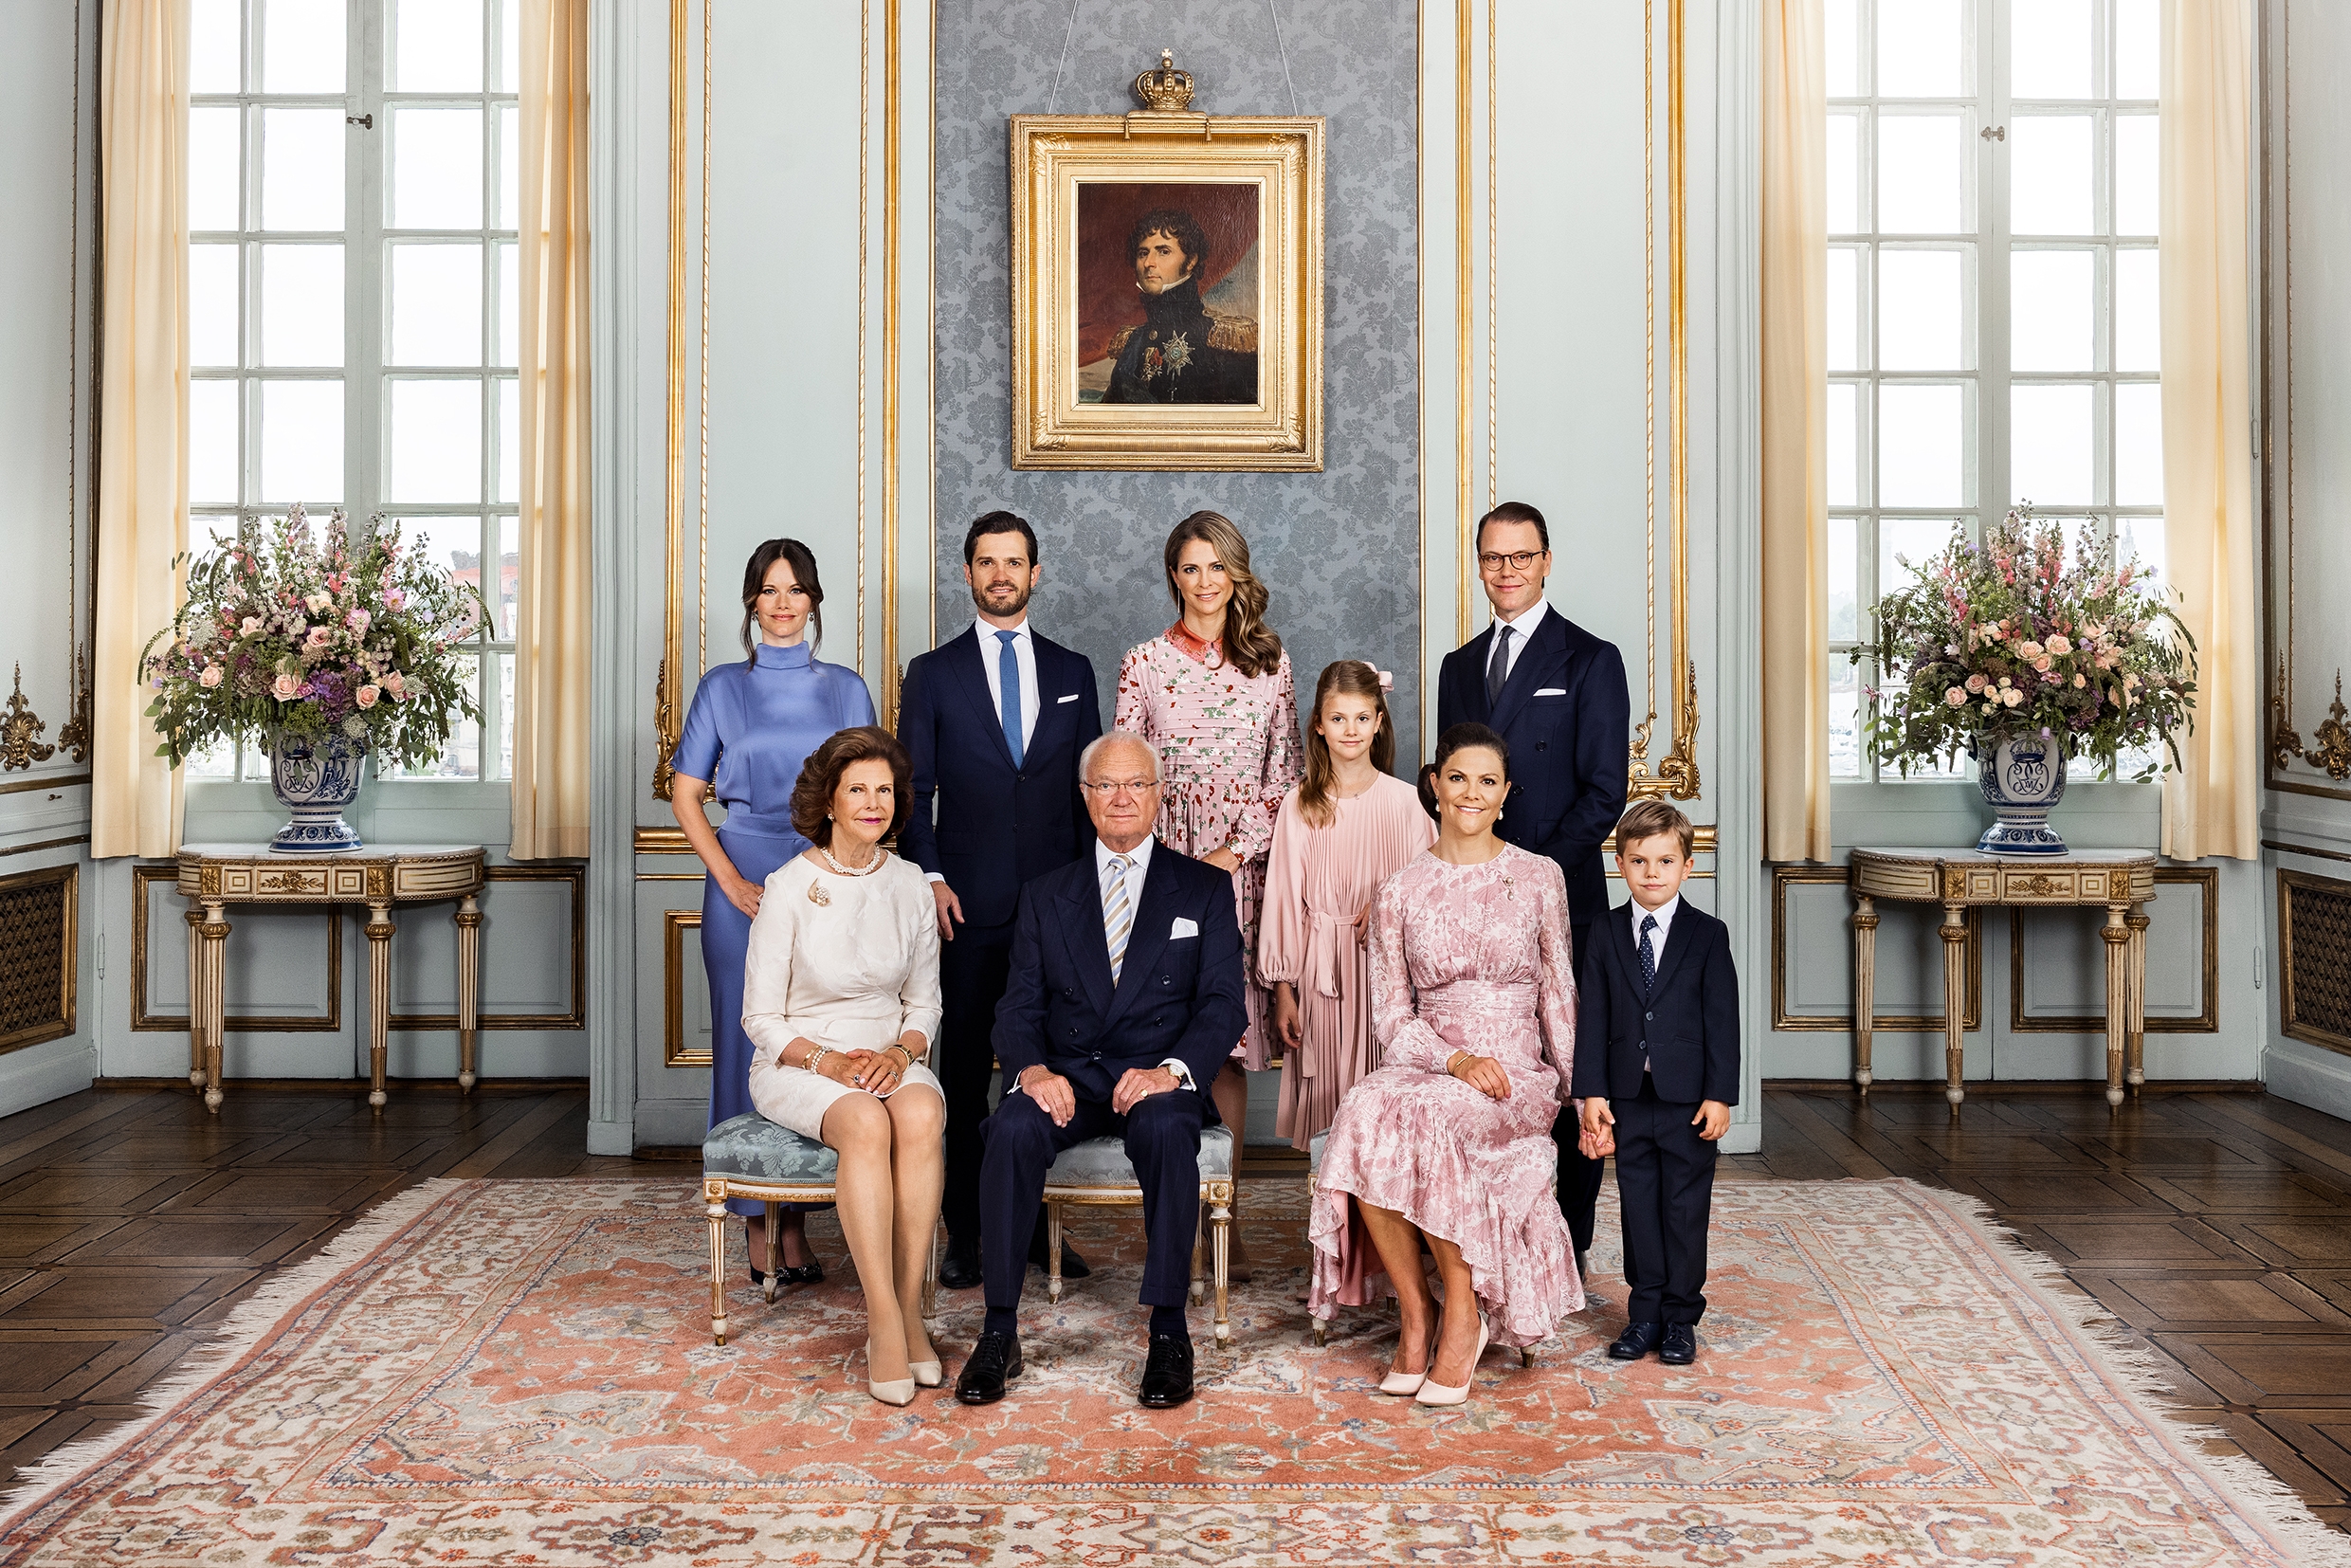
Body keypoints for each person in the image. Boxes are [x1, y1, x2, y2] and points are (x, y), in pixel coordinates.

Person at [953, 731, 1248, 1412]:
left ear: (1158, 794)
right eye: (1106, 785)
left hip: (1155, 1074)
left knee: (1168, 1130)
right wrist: (1030, 1070)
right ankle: (999, 1331)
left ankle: (1169, 1332)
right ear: (1085, 797)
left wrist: (1173, 1071)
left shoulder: (1203, 888)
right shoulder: (1045, 893)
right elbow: (1018, 1005)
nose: (1122, 798)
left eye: (1136, 784)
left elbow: (1223, 1003)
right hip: (1070, 1075)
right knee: (1010, 1129)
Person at [1307, 723, 1582, 1408]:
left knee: (1430, 1118)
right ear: (1434, 785)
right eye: (1458, 778)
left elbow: (1559, 992)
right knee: (1363, 1110)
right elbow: (1391, 1018)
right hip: (1434, 1059)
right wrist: (1453, 1059)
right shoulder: (1399, 889)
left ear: (1506, 793)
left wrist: (1584, 1095)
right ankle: (1416, 1312)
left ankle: (1465, 1309)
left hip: (1515, 1070)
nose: (1471, 793)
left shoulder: (1540, 876)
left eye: (1487, 781)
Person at [898, 511, 1103, 1291]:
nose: (1001, 575)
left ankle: (1044, 1225)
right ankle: (966, 1231)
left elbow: (1089, 793)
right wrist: (931, 877)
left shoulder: (1074, 670)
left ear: (1035, 573)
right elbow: (913, 792)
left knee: (1055, 1065)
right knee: (960, 1070)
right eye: (987, 562)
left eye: (1014, 562)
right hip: (965, 905)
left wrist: (1090, 894)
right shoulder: (932, 673)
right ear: (968, 573)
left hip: (1057, 906)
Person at [1435, 500, 1629, 1285]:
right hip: (1469, 909)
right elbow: (1450, 792)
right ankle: (1482, 1237)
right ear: (1479, 565)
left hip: (1558, 900)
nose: (1507, 570)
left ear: (1547, 561)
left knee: (1566, 1066)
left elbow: (1604, 792)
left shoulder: (1591, 659)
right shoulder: (1458, 667)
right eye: (1493, 557)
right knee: (1487, 1065)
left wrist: (1525, 876)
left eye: (1521, 556)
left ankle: (1565, 1246)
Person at [671, 538, 875, 1285]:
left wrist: (844, 879)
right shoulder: (721, 687)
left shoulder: (847, 689)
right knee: (745, 1045)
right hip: (743, 879)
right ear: (751, 601)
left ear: (814, 600)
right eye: (769, 589)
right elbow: (686, 795)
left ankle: (799, 1217)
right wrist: (729, 881)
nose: (782, 603)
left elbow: (867, 794)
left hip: (825, 877)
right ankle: (758, 1222)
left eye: (795, 589)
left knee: (818, 1041)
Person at [1115, 511, 1299, 1280]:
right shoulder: (1144, 663)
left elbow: (1286, 778)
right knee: (1161, 1037)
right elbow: (1124, 775)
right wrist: (1166, 864)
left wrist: (1229, 855)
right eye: (1190, 567)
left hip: (1240, 876)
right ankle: (1174, 1223)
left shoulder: (1271, 663)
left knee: (1222, 1048)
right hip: (1162, 869)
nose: (1204, 581)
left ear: (1236, 574)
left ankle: (1226, 1220)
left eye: (1217, 566)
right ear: (1174, 576)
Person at [739, 727, 945, 1406]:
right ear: (829, 801)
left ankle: (911, 1309)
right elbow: (760, 1019)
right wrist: (827, 1062)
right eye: (858, 789)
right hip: (800, 1058)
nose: (873, 803)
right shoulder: (788, 886)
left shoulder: (911, 884)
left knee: (923, 1110)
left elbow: (924, 1003)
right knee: (864, 1121)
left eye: (884, 790)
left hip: (886, 1052)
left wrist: (899, 1054)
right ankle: (883, 1319)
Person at [1576, 799, 1740, 1368]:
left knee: (1684, 1207)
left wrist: (1719, 1095)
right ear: (1619, 864)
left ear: (1687, 867)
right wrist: (1592, 1092)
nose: (1652, 872)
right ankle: (1643, 1313)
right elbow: (1593, 1017)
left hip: (1688, 1100)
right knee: (1638, 1205)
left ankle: (1680, 1318)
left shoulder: (1708, 935)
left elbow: (1722, 1021)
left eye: (1665, 861)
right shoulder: (1604, 931)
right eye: (1639, 860)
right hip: (1626, 1097)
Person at [1259, 661, 1433, 1150]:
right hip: (1322, 976)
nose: (1350, 730)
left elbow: (1432, 893)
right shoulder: (1299, 804)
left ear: (1379, 721)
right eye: (1338, 719)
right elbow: (1284, 899)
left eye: (1361, 718)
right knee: (1330, 1114)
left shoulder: (1409, 803)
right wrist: (1284, 990)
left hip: (1388, 977)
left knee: (1386, 1116)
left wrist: (1387, 903)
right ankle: (1328, 1198)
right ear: (1318, 724)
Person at [1101, 207, 1258, 405]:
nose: (1148, 262)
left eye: (1163, 252)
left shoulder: (1224, 338)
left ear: (1191, 261)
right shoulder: (1133, 340)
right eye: (1143, 253)